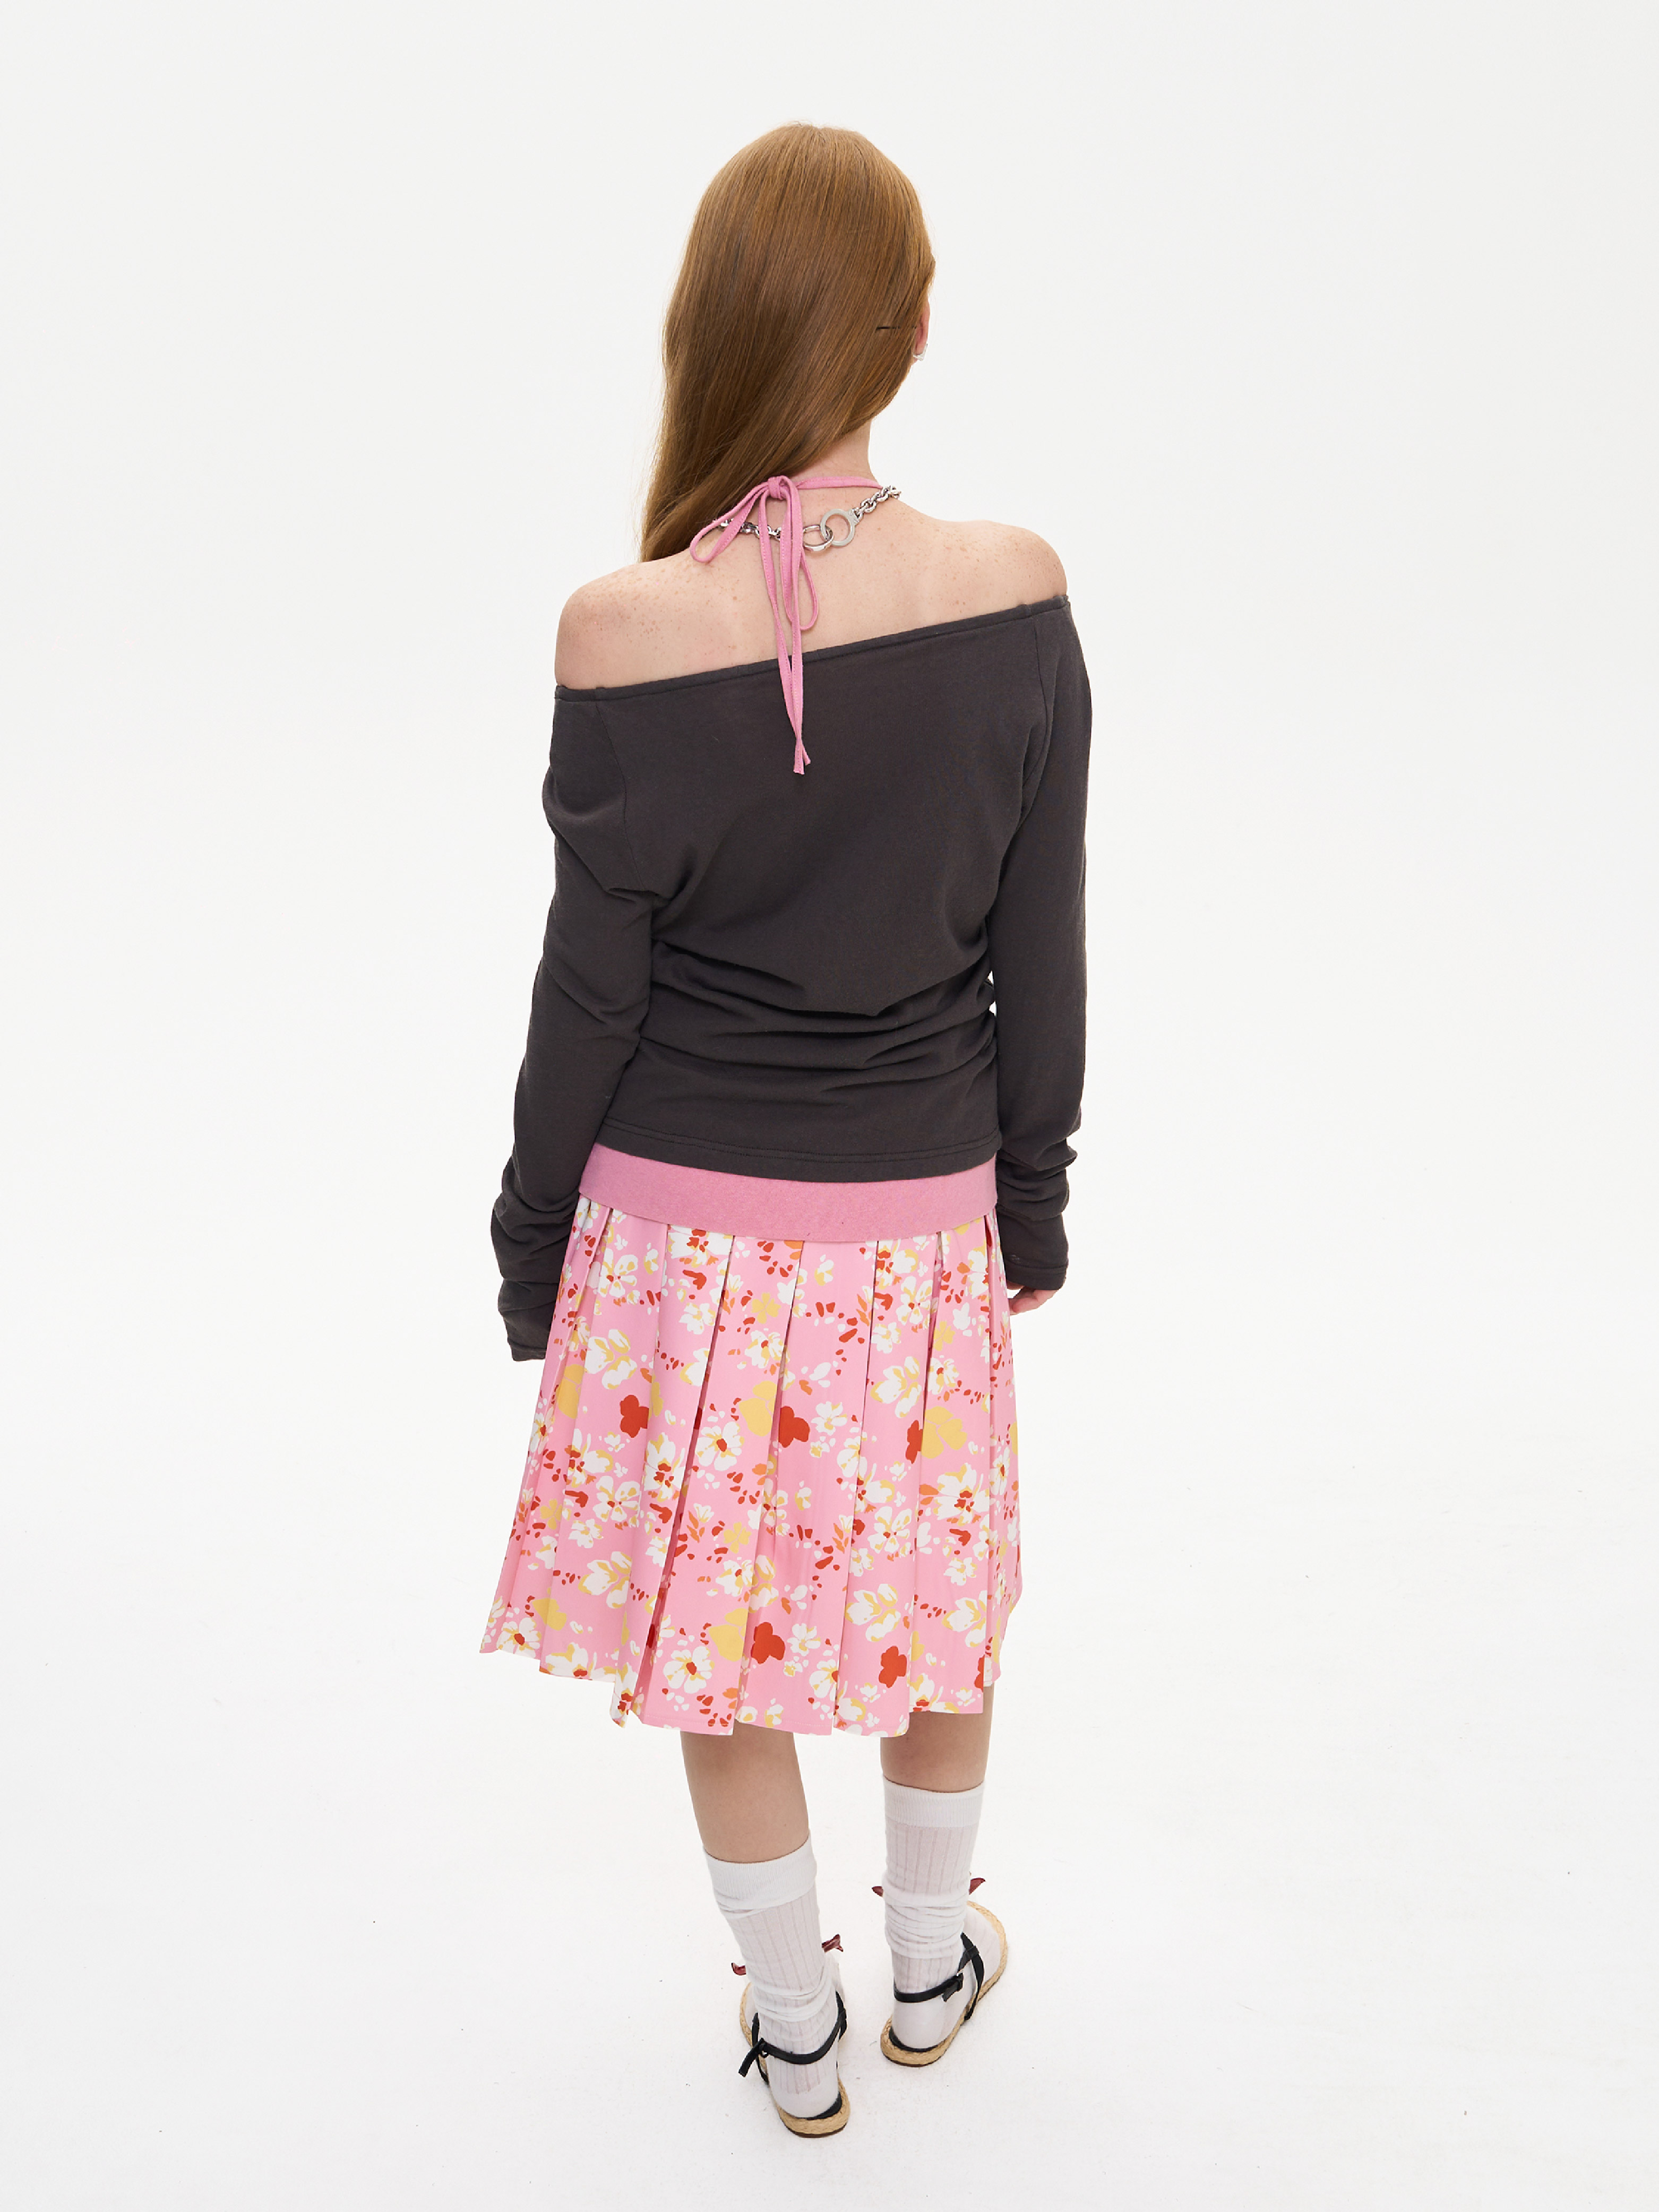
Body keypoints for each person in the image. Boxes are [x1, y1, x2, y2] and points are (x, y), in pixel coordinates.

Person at [482, 122, 1089, 2137]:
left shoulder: (620, 627)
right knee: (937, 1607)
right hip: (912, 1221)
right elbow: (1041, 947)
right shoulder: (1014, 591)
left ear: (711, 328)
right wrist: (1029, 1202)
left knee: (719, 1649)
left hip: (672, 1228)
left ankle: (796, 2026)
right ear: (909, 332)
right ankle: (927, 1968)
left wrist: (533, 1235)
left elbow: (589, 996)